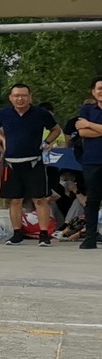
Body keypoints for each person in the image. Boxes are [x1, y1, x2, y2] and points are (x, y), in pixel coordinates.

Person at [0, 84, 62, 247]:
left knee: (40, 199)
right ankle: (17, 233)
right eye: (16, 95)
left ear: (30, 97)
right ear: (11, 98)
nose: (20, 98)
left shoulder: (41, 114)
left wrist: (46, 142)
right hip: (12, 163)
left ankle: (44, 234)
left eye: (23, 95)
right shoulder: (4, 113)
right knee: (15, 200)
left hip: (34, 162)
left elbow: (56, 129)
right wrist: (2, 139)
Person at [77, 79, 102, 251]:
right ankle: (90, 238)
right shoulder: (86, 109)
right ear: (93, 92)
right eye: (99, 88)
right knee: (92, 200)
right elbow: (82, 131)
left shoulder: (88, 118)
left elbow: (87, 128)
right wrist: (87, 127)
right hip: (92, 161)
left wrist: (90, 125)